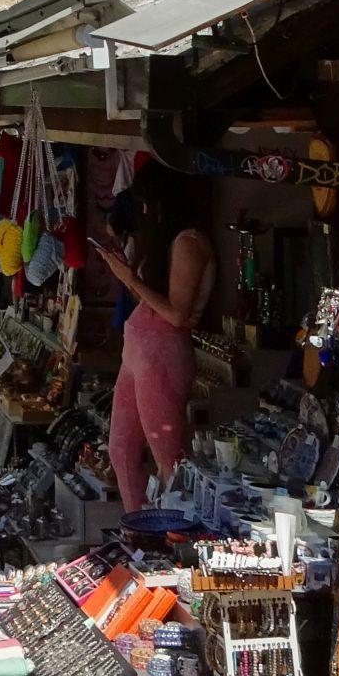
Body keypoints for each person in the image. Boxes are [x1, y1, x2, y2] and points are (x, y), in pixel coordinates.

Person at [94, 160, 211, 512]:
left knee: (168, 456)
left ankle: (172, 535)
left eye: (147, 202)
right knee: (121, 447)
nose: (143, 210)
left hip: (161, 354)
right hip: (140, 351)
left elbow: (177, 314)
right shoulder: (166, 240)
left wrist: (129, 278)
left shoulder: (189, 241)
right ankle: (137, 530)